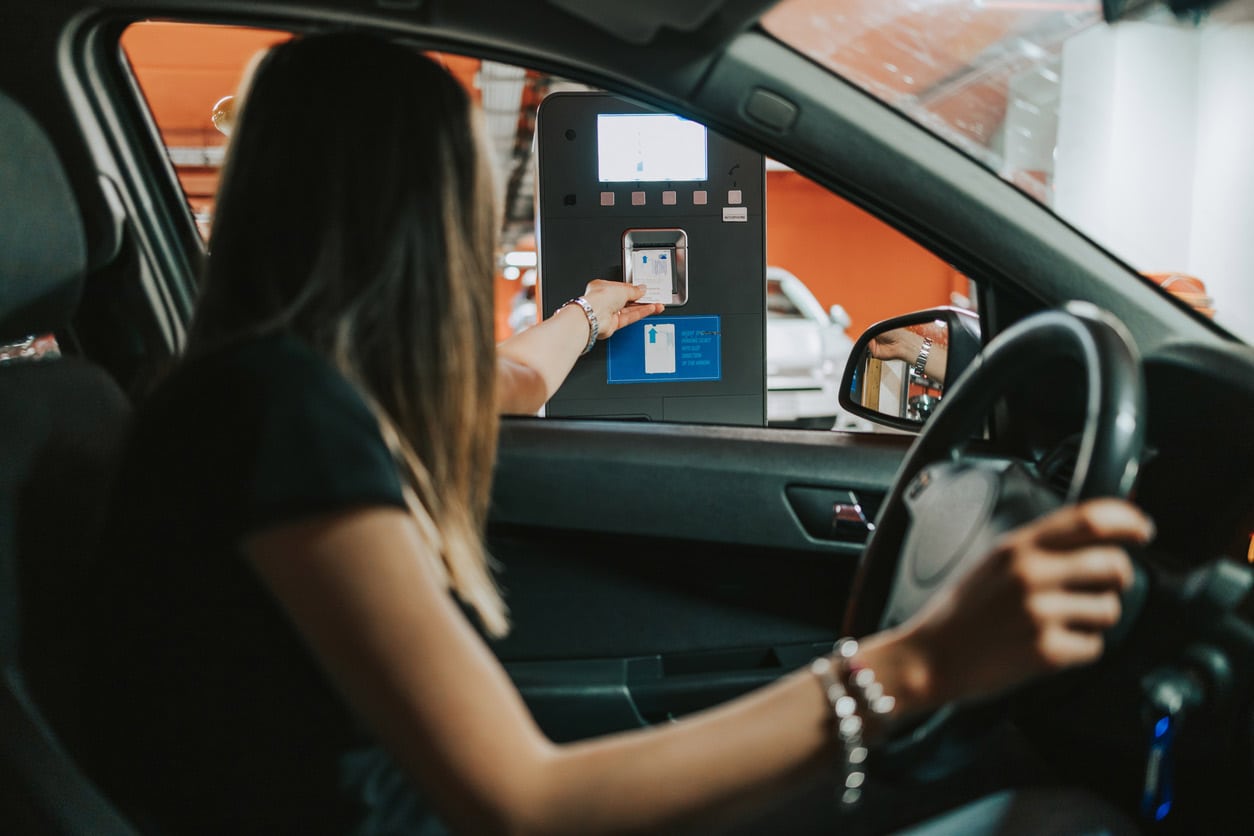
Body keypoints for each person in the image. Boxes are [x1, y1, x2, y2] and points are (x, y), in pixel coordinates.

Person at [79, 33, 1153, 836]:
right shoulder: (281, 414)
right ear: (424, 218)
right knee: (1057, 819)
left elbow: (501, 382)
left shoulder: (279, 388)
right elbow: (524, 800)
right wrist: (923, 662)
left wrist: (597, 309)